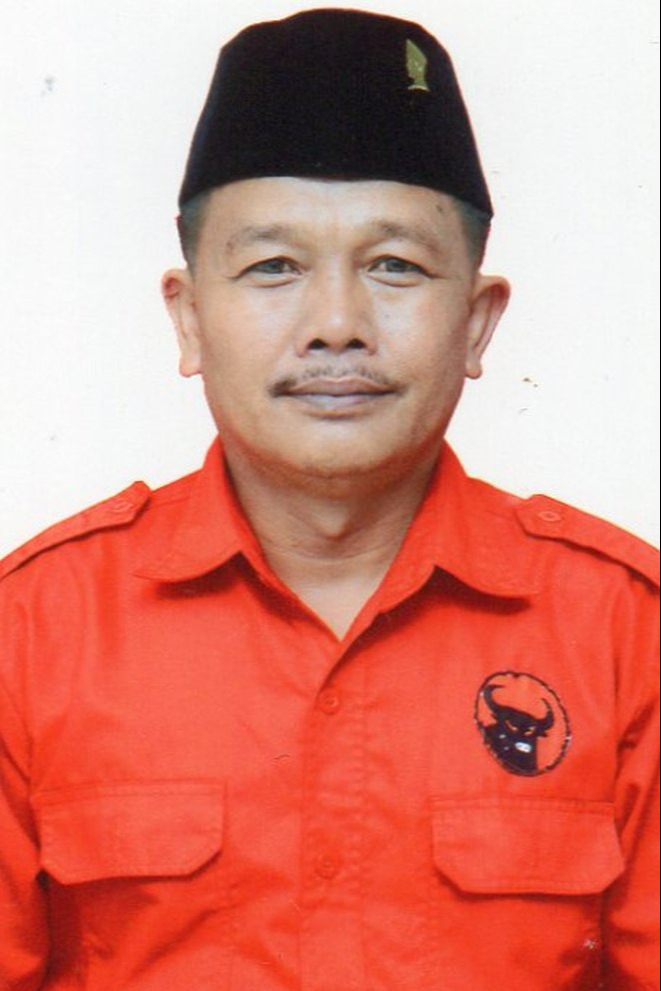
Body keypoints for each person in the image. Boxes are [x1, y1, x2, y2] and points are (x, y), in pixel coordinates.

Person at [0, 8, 658, 990]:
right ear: (188, 318)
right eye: (273, 267)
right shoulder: (31, 631)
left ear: (477, 322)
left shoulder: (624, 630)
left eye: (396, 266)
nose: (338, 324)